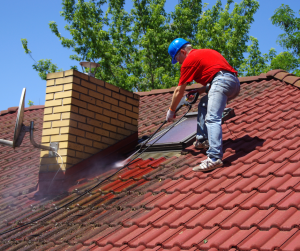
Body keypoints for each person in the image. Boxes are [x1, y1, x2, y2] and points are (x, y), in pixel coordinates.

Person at [166, 38, 240, 171]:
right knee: (204, 104)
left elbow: (179, 90)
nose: (179, 63)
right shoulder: (205, 52)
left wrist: (171, 111)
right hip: (234, 84)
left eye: (178, 59)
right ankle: (202, 139)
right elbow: (220, 76)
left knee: (212, 118)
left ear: (182, 52)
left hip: (221, 82)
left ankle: (214, 158)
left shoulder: (189, 60)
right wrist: (200, 90)